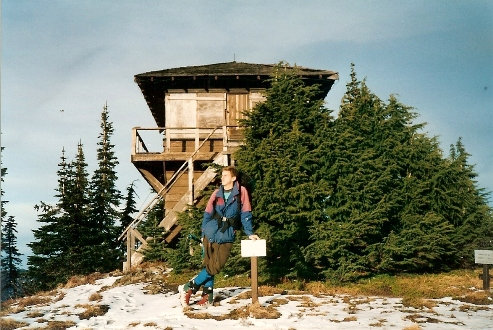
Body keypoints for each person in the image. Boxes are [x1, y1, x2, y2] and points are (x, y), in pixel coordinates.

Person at [179, 166, 259, 306]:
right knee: (210, 265)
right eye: (222, 175)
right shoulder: (216, 193)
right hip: (210, 232)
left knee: (216, 266)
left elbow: (246, 213)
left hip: (227, 233)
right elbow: (207, 214)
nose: (222, 178)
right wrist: (203, 232)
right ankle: (207, 296)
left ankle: (190, 286)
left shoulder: (241, 192)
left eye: (226, 175)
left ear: (233, 178)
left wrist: (249, 233)